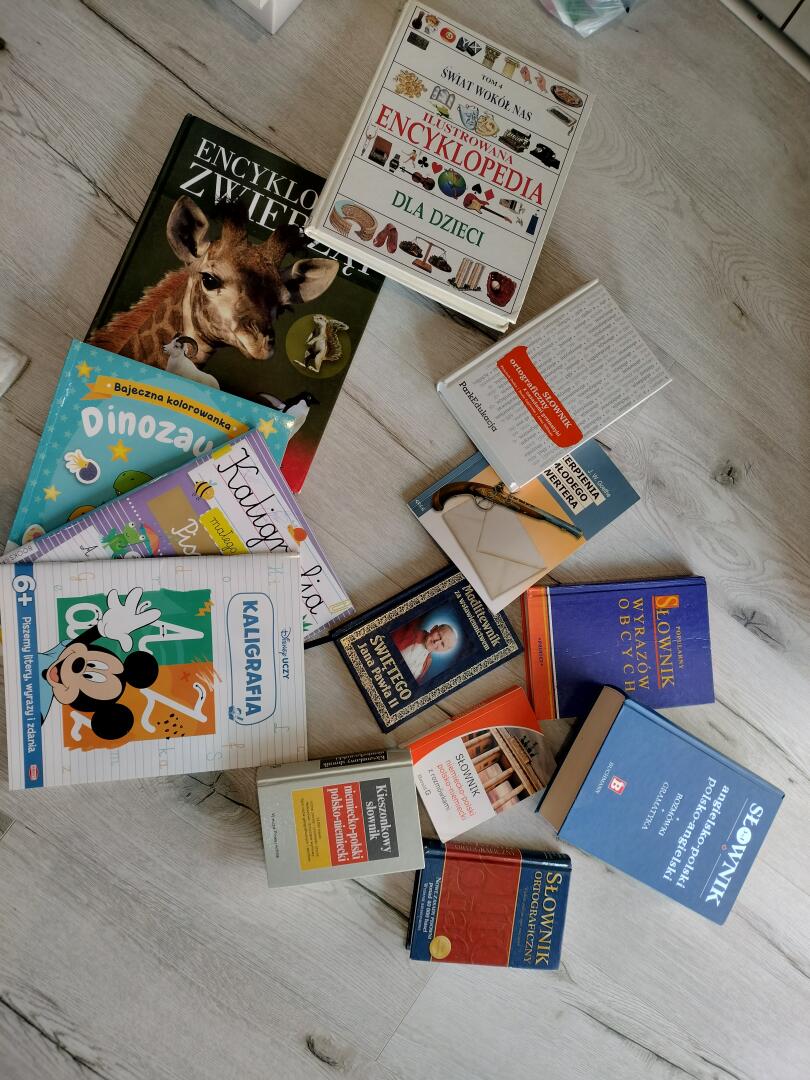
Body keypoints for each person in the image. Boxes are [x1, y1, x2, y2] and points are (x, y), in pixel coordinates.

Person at [390, 619, 458, 684]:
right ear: (433, 628)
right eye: (439, 635)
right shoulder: (410, 630)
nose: (436, 642)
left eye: (442, 644)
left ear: (443, 651)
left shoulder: (428, 661)